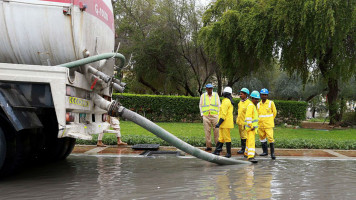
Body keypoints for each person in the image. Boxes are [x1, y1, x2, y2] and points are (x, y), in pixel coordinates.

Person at [212, 87, 234, 158]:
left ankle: (228, 153)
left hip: (225, 123)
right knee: (221, 138)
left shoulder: (226, 101)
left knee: (227, 138)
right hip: (224, 123)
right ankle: (217, 151)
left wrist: (219, 123)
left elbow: (223, 114)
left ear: (226, 93)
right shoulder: (226, 101)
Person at [199, 83, 221, 151]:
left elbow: (219, 105)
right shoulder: (203, 96)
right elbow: (200, 105)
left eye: (211, 88)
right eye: (209, 88)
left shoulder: (216, 95)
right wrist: (202, 114)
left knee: (217, 131)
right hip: (206, 116)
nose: (210, 89)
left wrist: (218, 114)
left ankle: (218, 146)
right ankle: (208, 146)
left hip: (215, 116)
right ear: (206, 89)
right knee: (207, 131)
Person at [257, 88, 277, 160]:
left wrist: (270, 120)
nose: (264, 96)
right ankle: (265, 152)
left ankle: (272, 153)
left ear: (267, 95)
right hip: (260, 124)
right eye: (262, 95)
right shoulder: (258, 104)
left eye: (265, 95)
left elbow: (274, 112)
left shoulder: (271, 103)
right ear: (260, 95)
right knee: (262, 138)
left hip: (268, 125)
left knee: (270, 138)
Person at [244, 90, 260, 163]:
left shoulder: (252, 105)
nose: (257, 100)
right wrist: (251, 126)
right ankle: (250, 156)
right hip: (251, 128)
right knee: (251, 142)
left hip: (250, 128)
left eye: (258, 99)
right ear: (252, 98)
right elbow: (248, 117)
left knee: (248, 141)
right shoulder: (251, 106)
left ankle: (246, 153)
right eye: (256, 99)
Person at [236, 88, 251, 154]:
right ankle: (243, 148)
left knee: (245, 137)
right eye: (240, 94)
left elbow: (249, 114)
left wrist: (247, 123)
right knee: (242, 136)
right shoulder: (240, 102)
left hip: (245, 123)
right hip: (240, 123)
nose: (240, 95)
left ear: (245, 95)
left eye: (241, 94)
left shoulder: (249, 103)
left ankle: (245, 149)